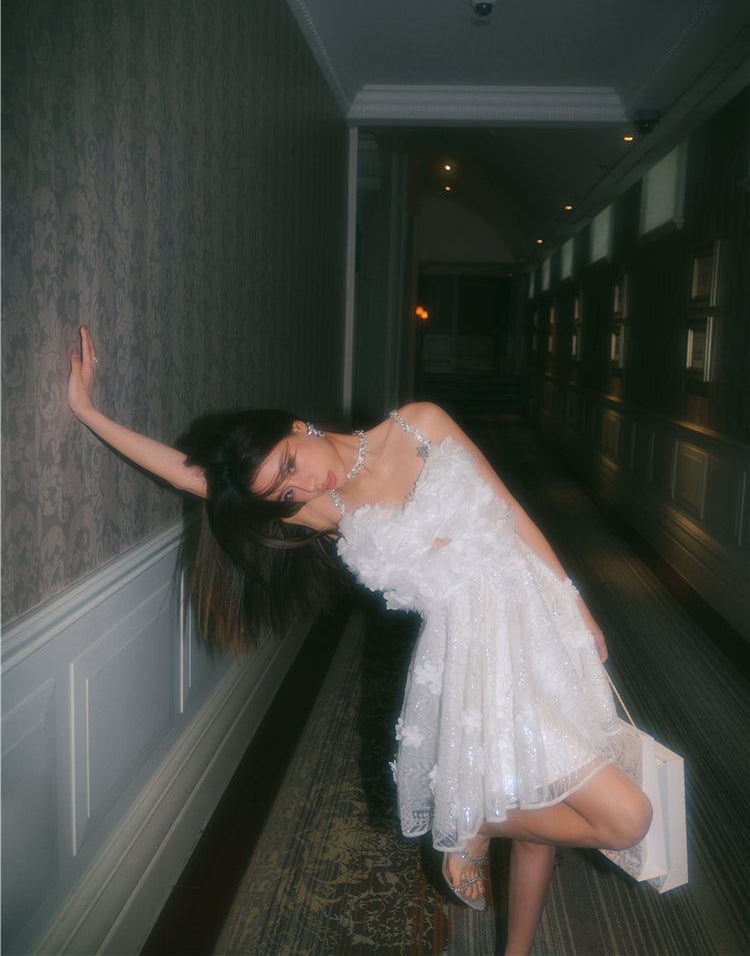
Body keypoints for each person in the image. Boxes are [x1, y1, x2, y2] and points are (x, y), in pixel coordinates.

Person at [68, 326, 651, 956]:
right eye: (283, 493)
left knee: (544, 815)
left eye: (290, 464)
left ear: (299, 427)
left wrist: (574, 604)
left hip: (537, 625)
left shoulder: (421, 424)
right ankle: (481, 816)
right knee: (627, 819)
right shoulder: (326, 510)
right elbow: (195, 479)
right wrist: (89, 413)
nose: (302, 487)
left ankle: (507, 912)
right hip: (474, 662)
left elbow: (512, 516)